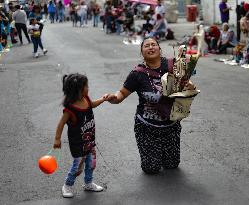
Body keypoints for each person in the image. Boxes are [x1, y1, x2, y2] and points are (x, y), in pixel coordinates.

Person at [105, 37, 196, 174]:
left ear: (160, 49)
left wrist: (190, 86)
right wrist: (114, 98)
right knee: (151, 168)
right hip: (147, 127)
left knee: (172, 165)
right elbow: (122, 94)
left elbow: (187, 86)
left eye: (154, 44)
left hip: (171, 125)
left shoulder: (172, 65)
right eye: (146, 46)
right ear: (142, 52)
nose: (151, 47)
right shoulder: (137, 74)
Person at [53, 73, 106, 198]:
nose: (88, 88)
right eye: (86, 86)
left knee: (91, 164)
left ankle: (88, 183)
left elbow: (93, 104)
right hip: (78, 144)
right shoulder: (70, 109)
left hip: (89, 141)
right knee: (77, 166)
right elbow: (61, 124)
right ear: (78, 90)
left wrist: (103, 99)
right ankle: (67, 185)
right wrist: (57, 139)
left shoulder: (86, 99)